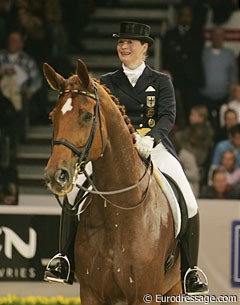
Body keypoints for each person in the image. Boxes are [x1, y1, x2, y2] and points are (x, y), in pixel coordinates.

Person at [44, 21, 208, 295]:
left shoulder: (161, 81)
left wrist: (150, 138)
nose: (124, 45)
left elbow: (168, 116)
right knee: (73, 194)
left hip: (153, 147)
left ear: (144, 48)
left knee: (187, 199)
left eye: (130, 42)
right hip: (114, 151)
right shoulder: (106, 83)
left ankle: (190, 270)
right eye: (121, 41)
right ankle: (64, 259)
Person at [161, 4, 205, 127]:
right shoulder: (170, 34)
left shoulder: (197, 34)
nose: (186, 19)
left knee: (191, 111)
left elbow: (195, 54)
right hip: (175, 80)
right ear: (179, 17)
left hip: (192, 81)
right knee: (175, 111)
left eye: (188, 16)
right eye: (183, 16)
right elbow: (166, 56)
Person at [0, 30, 45, 138]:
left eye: (15, 40)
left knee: (17, 109)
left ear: (21, 44)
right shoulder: (1, 57)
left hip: (19, 95)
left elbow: (37, 80)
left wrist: (30, 91)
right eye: (11, 40)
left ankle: (13, 141)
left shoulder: (27, 60)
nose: (12, 42)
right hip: (2, 94)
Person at [200, 27, 238, 130]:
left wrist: (232, 96)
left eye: (220, 35)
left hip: (224, 98)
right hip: (205, 97)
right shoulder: (203, 53)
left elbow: (233, 77)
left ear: (224, 37)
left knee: (222, 124)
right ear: (211, 37)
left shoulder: (229, 54)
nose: (218, 38)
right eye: (215, 35)